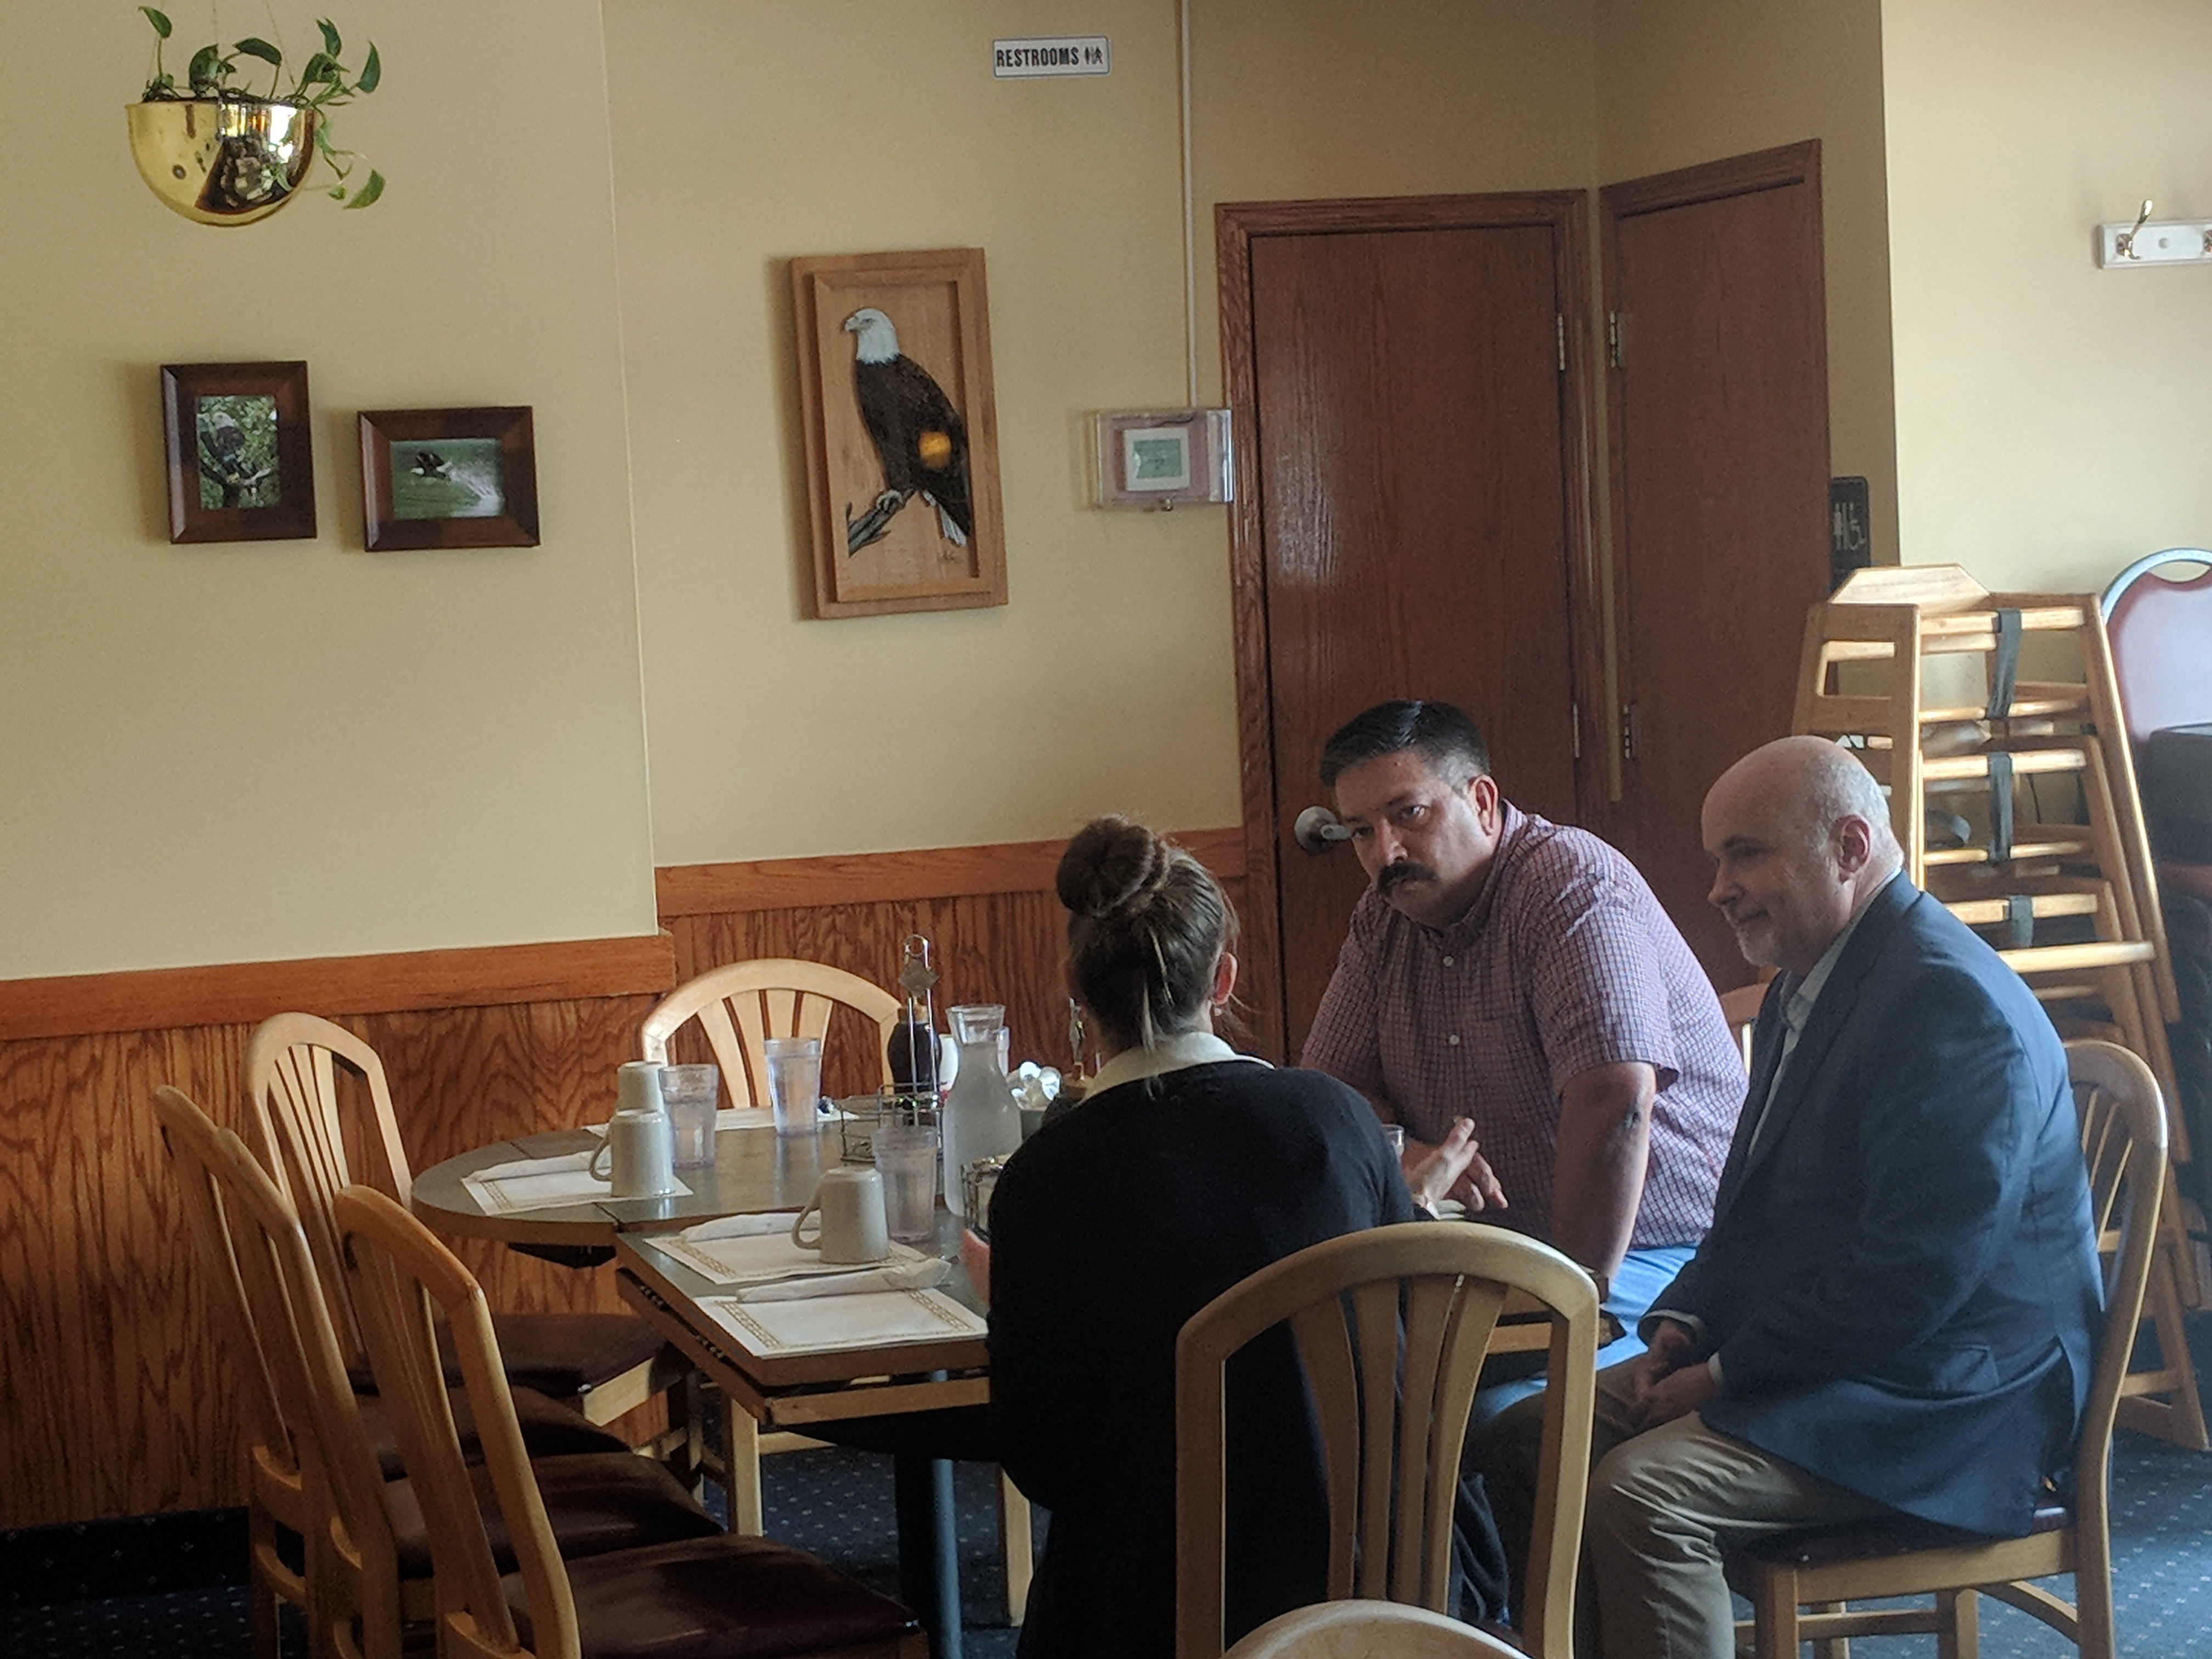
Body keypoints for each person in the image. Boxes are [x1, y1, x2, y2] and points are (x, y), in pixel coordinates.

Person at [1481, 736, 2102, 1659]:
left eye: (1745, 852)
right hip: (1859, 1355)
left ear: (1849, 846)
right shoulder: (1807, 981)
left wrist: (1726, 1375)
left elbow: (1913, 1277)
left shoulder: (1949, 1005)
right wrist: (1683, 1327)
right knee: (1530, 1433)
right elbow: (1754, 1216)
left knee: (1641, 1494)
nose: (1718, 887)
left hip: (1955, 1396)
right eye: (1715, 858)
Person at [984, 816, 1492, 1659]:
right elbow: (1412, 1352)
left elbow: (1044, 1461)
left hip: (1158, 1613)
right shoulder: (1333, 1120)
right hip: (1369, 1585)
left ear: (1073, 985)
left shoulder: (1044, 1179)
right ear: (1222, 978)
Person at [1301, 699, 1743, 1386]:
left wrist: (1564, 1301)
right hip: (1495, 1255)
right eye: (1361, 831)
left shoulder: (1571, 886)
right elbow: (1332, 1095)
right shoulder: (1381, 918)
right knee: (1336, 1385)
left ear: (1480, 800)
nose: (1384, 854)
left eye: (1408, 815)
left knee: (1452, 1416)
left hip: (1662, 1255)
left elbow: (1615, 1099)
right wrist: (1406, 1151)